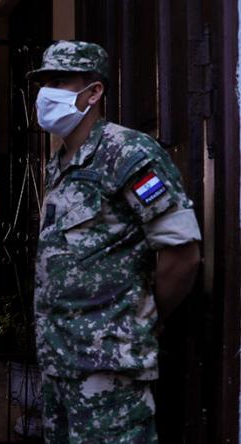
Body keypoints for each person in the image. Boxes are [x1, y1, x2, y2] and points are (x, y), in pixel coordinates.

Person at [27, 40, 201, 443]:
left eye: (61, 81)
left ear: (94, 92)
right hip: (60, 363)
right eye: (44, 82)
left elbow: (183, 254)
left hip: (109, 367)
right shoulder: (61, 162)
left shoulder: (129, 153)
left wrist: (144, 319)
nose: (47, 92)